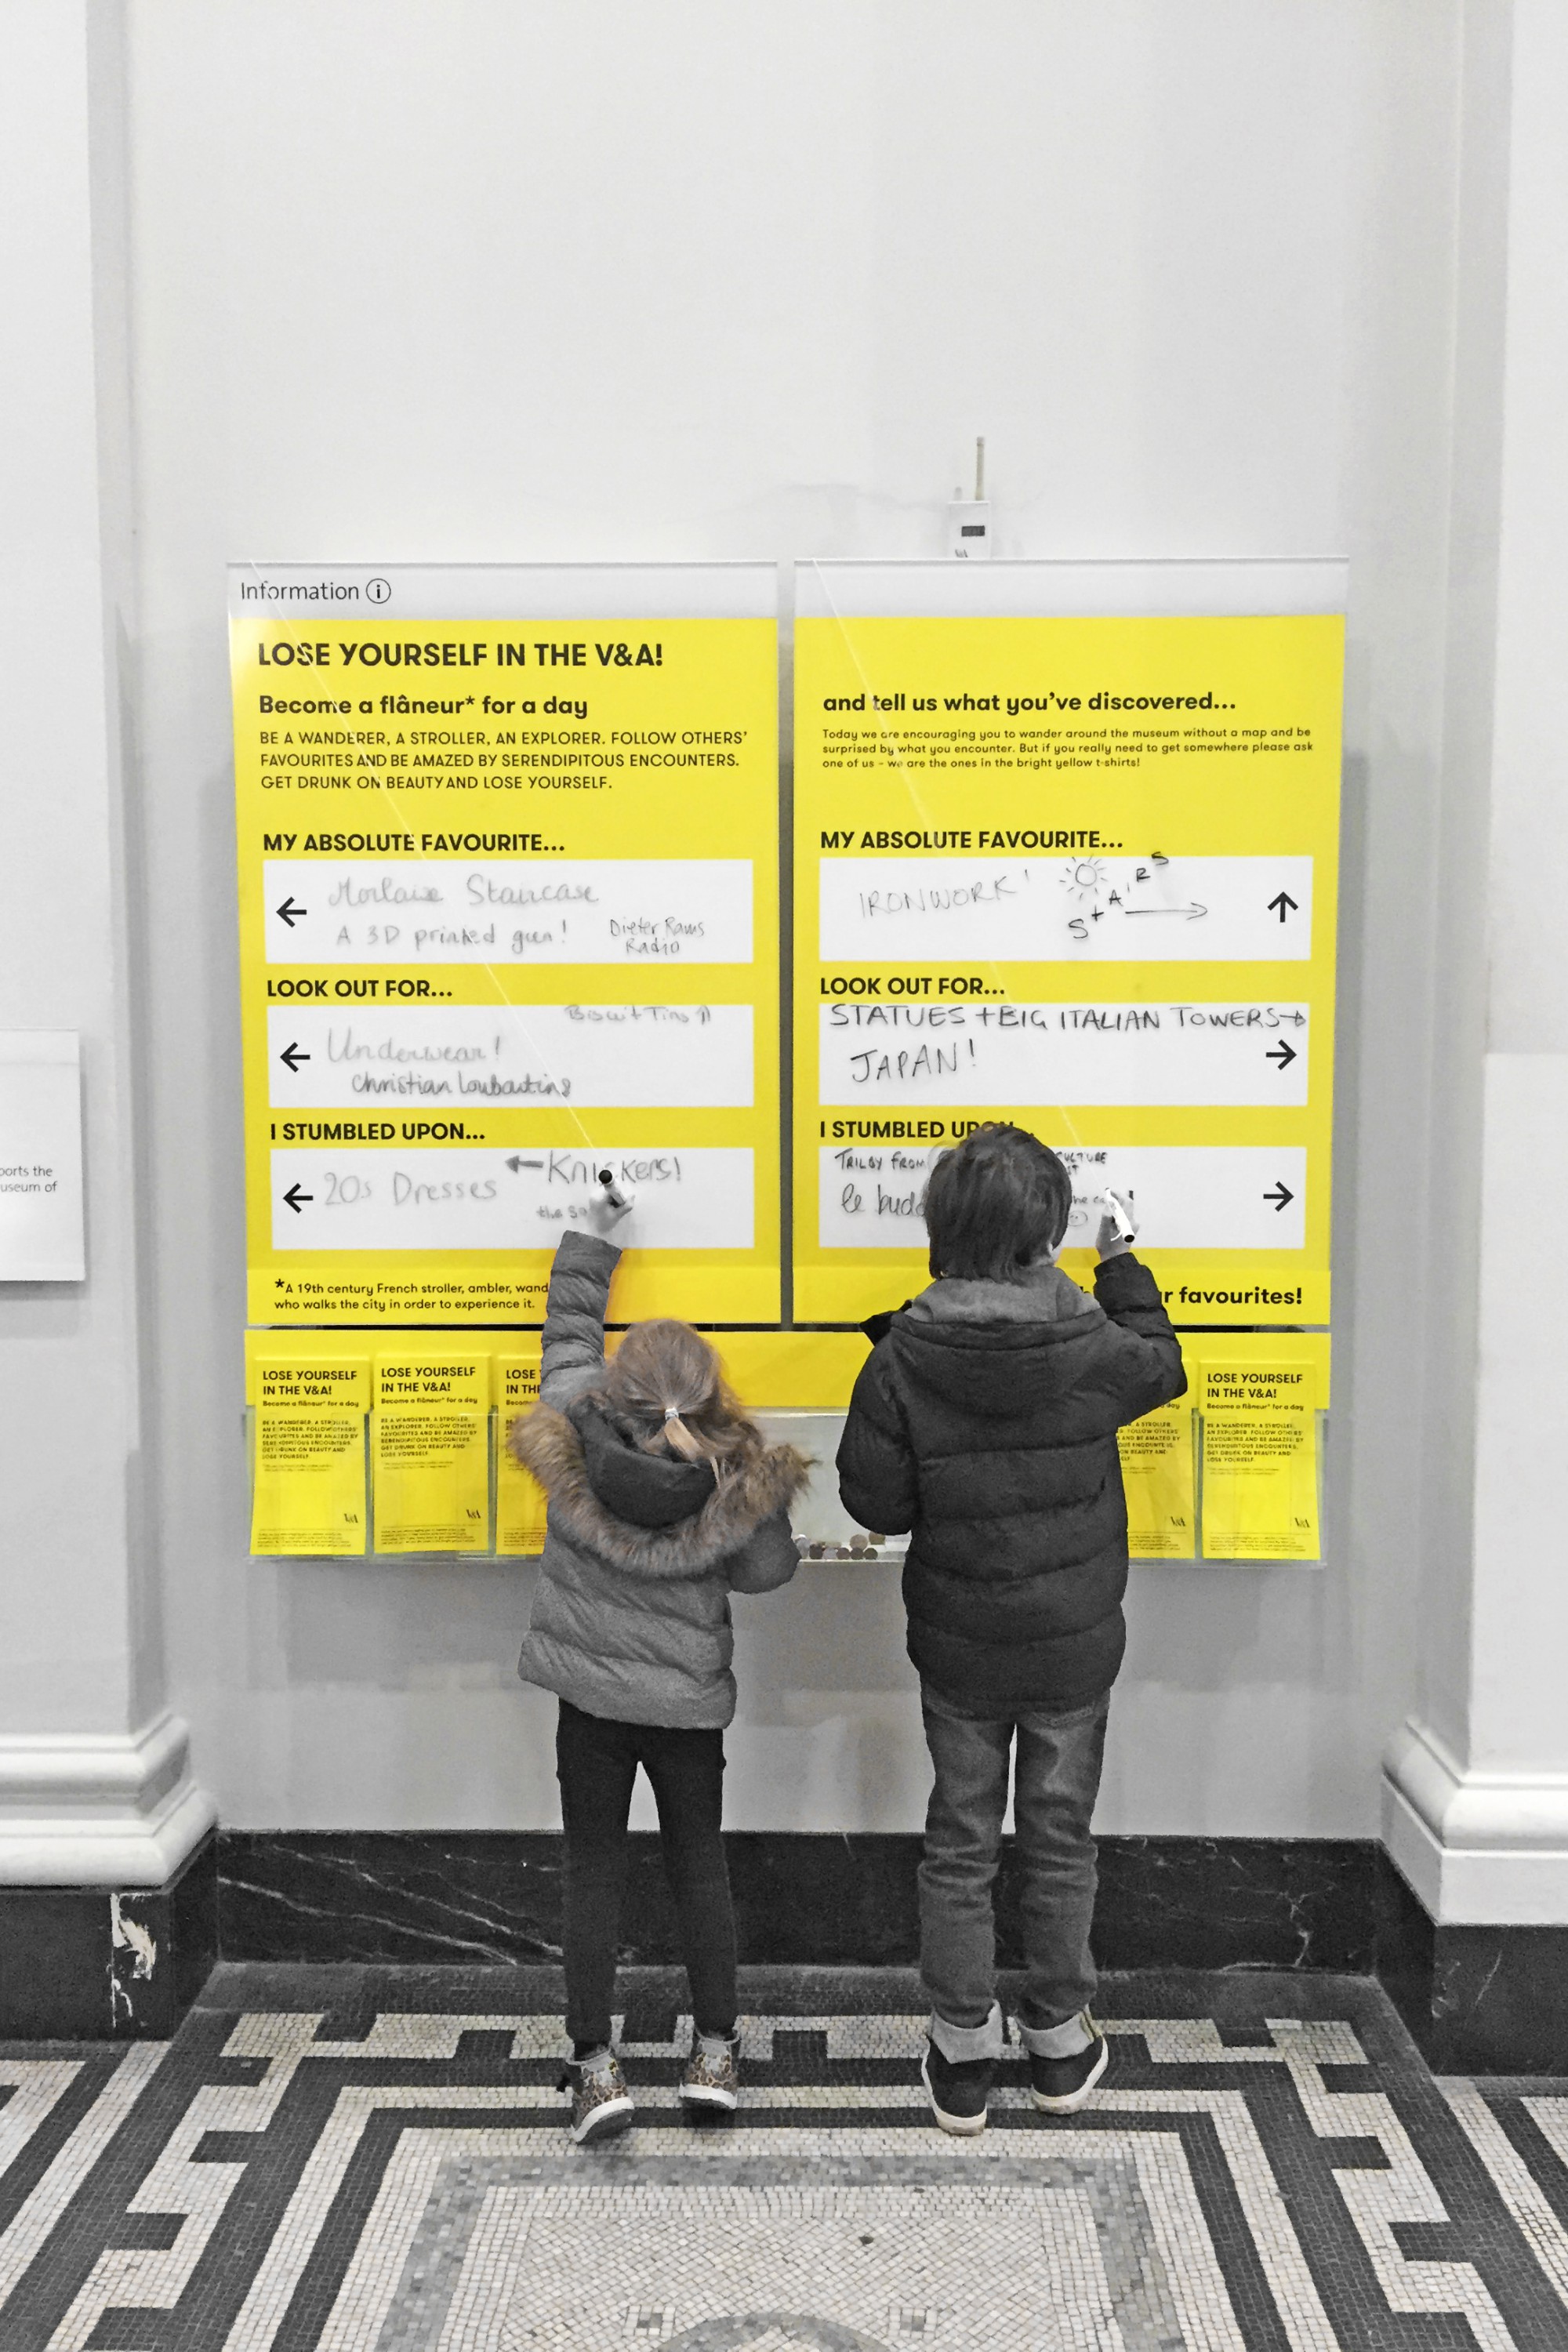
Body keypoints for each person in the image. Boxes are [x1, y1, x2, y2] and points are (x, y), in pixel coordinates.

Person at [836, 1124, 1185, 2135]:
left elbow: (877, 1508)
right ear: (1051, 1233)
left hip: (957, 1644)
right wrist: (1122, 1268)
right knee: (1058, 1835)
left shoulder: (902, 1356)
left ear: (940, 1230)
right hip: (1075, 1640)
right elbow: (1163, 1369)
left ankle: (958, 2054)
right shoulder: (1094, 1342)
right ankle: (1060, 2043)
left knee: (959, 1839)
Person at [510, 1203, 809, 2146]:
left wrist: (594, 1236)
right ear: (710, 1396)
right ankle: (714, 2053)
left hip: (588, 1707)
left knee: (591, 1871)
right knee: (698, 1869)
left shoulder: (569, 1422)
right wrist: (762, 1494)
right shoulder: (730, 1480)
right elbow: (767, 1576)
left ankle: (594, 2070)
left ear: (614, 1390)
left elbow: (564, 1330)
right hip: (685, 1712)